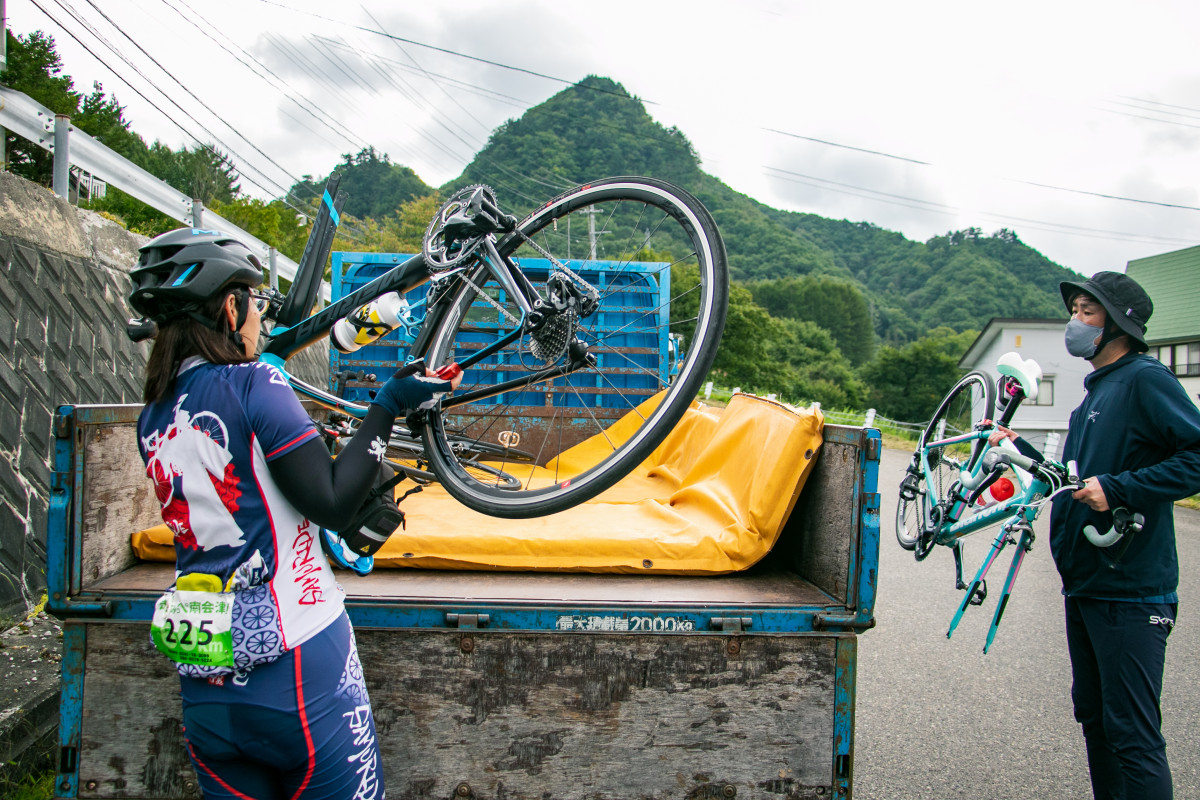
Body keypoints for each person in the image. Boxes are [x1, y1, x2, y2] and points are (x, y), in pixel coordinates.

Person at [128, 228, 460, 799]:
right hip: (300, 667)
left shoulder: (152, 416)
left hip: (206, 683)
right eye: (254, 300)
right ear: (230, 308)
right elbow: (330, 500)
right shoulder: (253, 383)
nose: (261, 313)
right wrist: (388, 406)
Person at [990, 271, 1200, 800]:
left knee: (1132, 735)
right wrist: (1024, 451)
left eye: (1087, 312)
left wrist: (1120, 489)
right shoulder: (1094, 397)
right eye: (1075, 310)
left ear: (1119, 325)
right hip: (1086, 586)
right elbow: (1076, 482)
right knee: (1097, 722)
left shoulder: (1146, 381)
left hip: (1130, 591)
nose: (1074, 322)